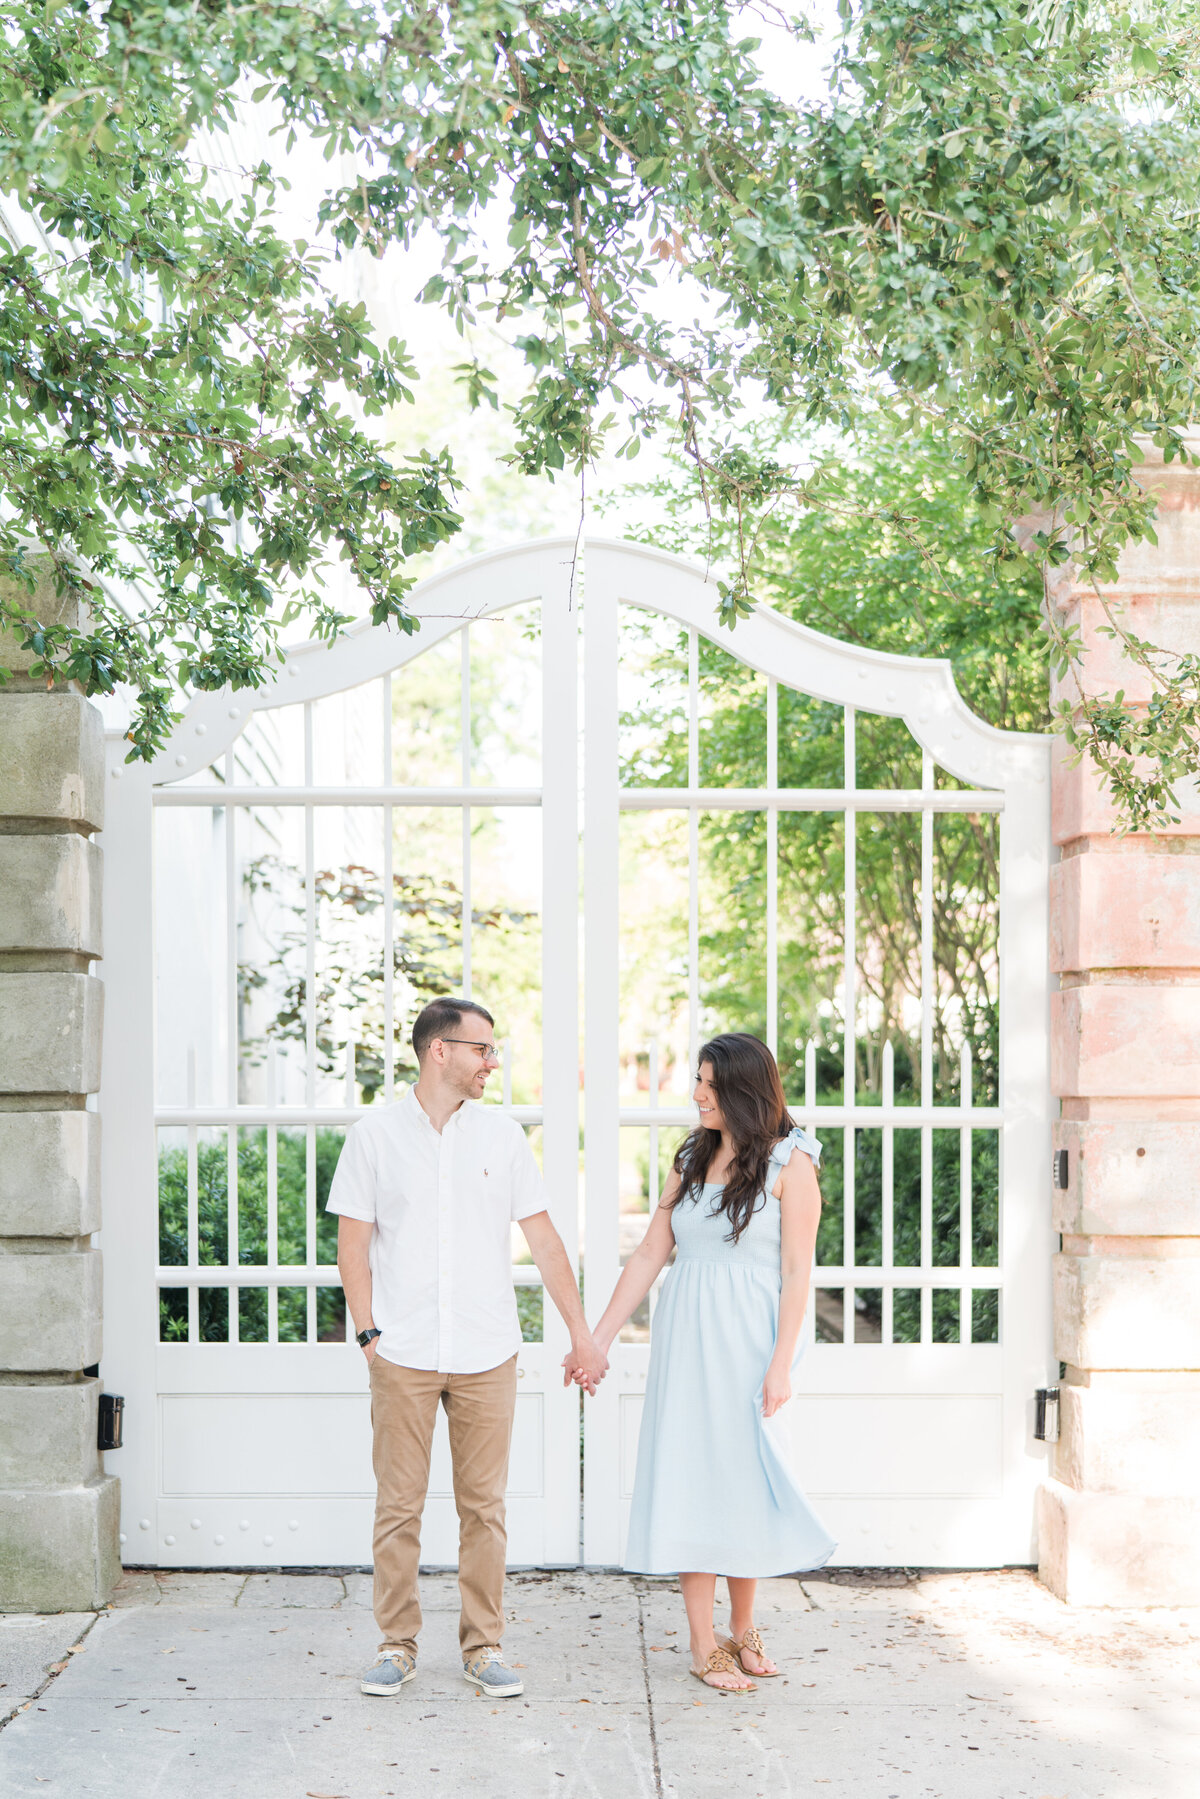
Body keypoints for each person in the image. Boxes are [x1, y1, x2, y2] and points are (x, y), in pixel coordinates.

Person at [332, 995, 607, 1701]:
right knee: (398, 1505)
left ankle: (484, 1645)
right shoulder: (374, 1136)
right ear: (438, 1050)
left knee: (483, 1507)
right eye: (483, 1048)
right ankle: (396, 1644)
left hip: (487, 1349)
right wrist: (368, 1333)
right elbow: (353, 1243)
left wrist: (580, 1332)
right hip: (404, 1350)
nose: (493, 1061)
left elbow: (543, 1241)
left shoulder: (503, 1138)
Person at [581, 1032, 835, 1692]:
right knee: (693, 1475)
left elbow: (797, 1270)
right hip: (686, 1337)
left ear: (745, 1092)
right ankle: (702, 1640)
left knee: (745, 1479)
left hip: (751, 1341)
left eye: (710, 1084)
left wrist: (781, 1363)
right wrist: (600, 1337)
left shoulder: (791, 1162)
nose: (696, 1093)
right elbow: (648, 1254)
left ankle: (743, 1624)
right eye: (697, 1080)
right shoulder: (692, 1156)